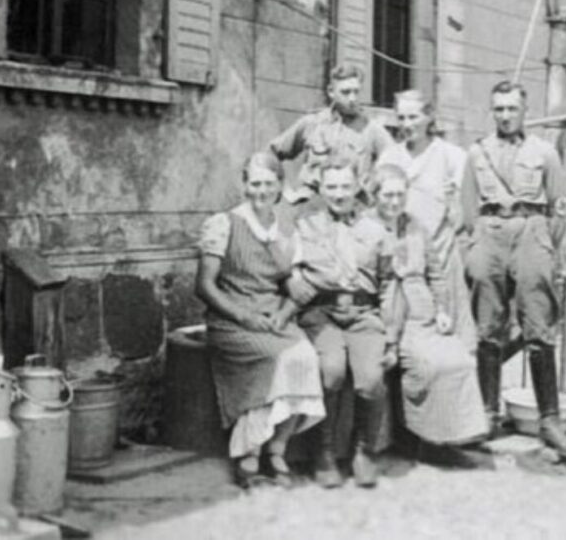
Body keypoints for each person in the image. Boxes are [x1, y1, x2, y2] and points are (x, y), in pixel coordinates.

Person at [462, 80, 566, 458]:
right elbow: (467, 209)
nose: (506, 115)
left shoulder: (544, 152)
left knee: (538, 325)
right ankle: (487, 413)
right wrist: (476, 244)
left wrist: (545, 248)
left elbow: (559, 206)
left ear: (525, 111)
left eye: (512, 108)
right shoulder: (477, 153)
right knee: (487, 326)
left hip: (532, 231)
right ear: (491, 111)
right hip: (490, 233)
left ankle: (549, 419)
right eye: (499, 109)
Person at [195, 152, 325, 489]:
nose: (261, 191)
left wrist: (283, 314)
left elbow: (289, 282)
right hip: (231, 319)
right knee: (273, 360)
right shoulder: (223, 224)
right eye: (255, 183)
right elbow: (205, 285)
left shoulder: (284, 229)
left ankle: (278, 449)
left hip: (273, 317)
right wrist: (243, 316)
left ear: (279, 186)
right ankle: (249, 451)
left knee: (305, 358)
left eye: (268, 184)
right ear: (244, 185)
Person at [287, 157, 395, 489]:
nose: (338, 193)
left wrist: (390, 335)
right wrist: (291, 277)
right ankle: (324, 453)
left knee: (370, 379)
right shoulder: (305, 227)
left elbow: (390, 283)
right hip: (322, 314)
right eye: (331, 186)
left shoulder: (376, 230)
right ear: (320, 189)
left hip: (363, 316)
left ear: (357, 187)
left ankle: (365, 449)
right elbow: (287, 264)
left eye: (345, 186)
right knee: (330, 371)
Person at [370, 164, 489, 447]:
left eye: (400, 194)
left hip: (424, 312)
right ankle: (423, 436)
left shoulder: (416, 226)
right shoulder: (365, 227)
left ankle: (455, 435)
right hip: (388, 315)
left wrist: (443, 309)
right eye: (387, 195)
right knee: (431, 365)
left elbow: (435, 273)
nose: (394, 202)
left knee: (460, 359)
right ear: (374, 195)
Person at [377, 89, 476, 351]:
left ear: (429, 116)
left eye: (413, 117)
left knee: (448, 334)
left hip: (441, 255)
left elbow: (466, 210)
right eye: (401, 117)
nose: (407, 124)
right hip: (401, 259)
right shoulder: (390, 156)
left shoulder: (452, 156)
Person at [269, 64, 394, 204]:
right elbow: (271, 153)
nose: (352, 98)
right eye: (346, 92)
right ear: (331, 91)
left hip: (352, 209)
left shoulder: (372, 129)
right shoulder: (312, 123)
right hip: (313, 209)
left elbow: (397, 164)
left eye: (356, 92)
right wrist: (286, 191)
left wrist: (373, 188)